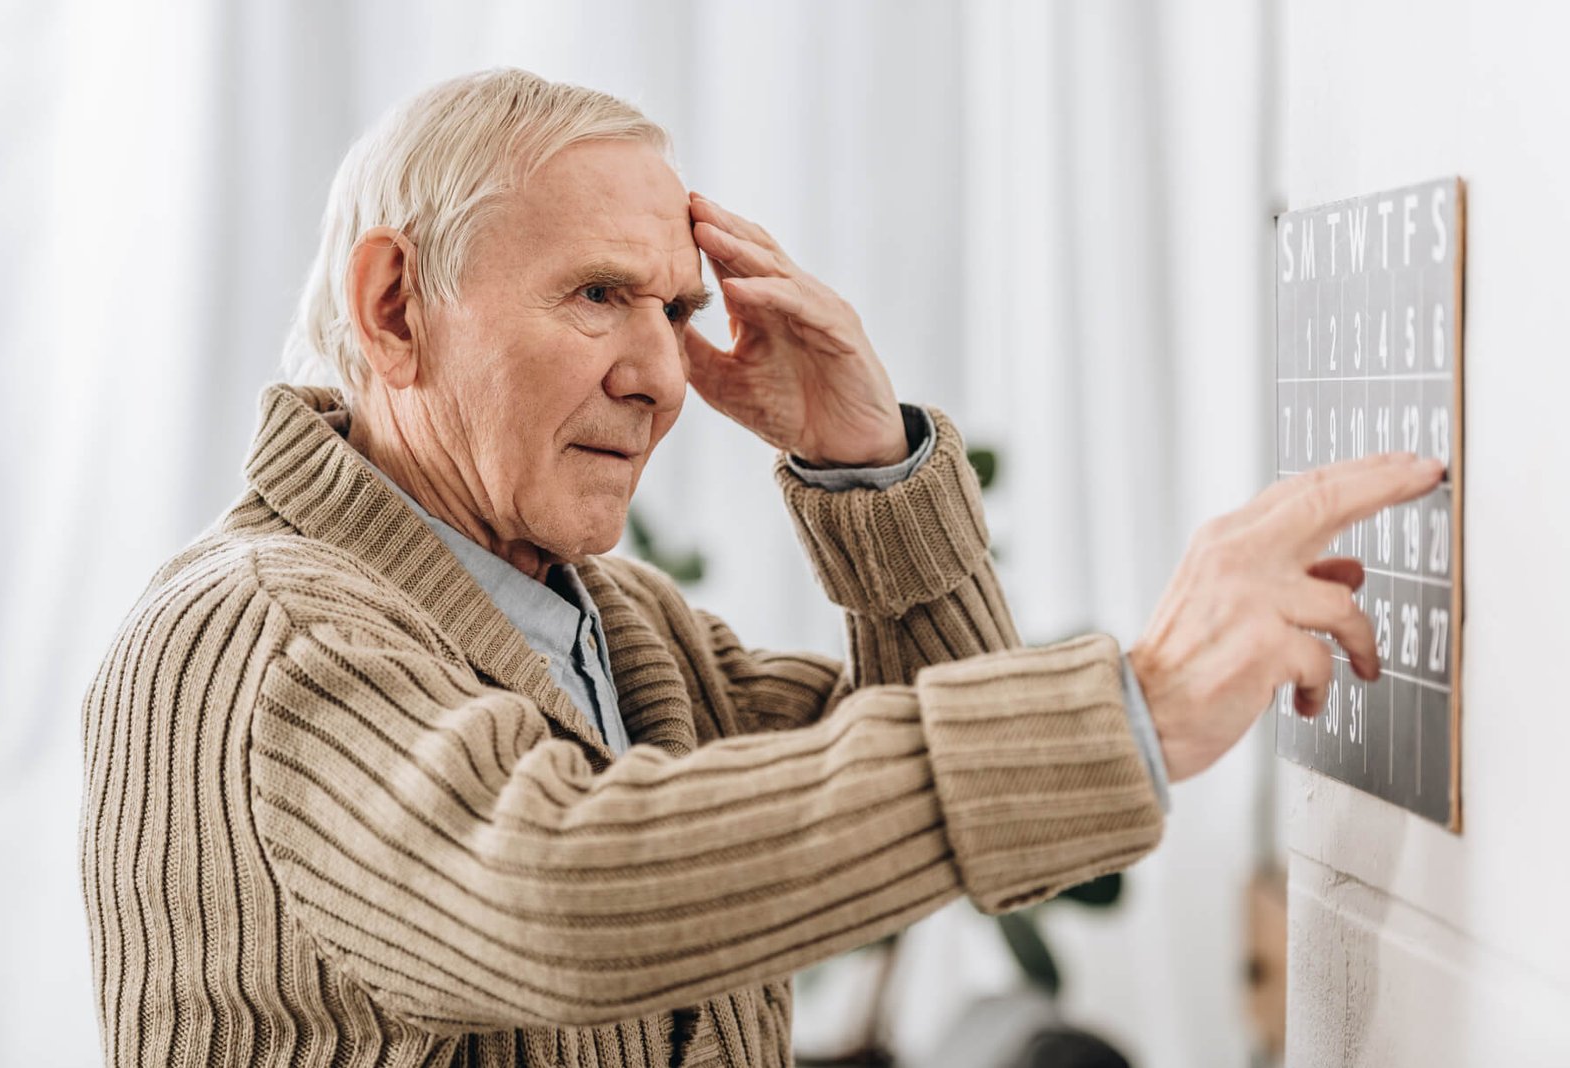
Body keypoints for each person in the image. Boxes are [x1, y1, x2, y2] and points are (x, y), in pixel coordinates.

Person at [79, 69, 1443, 1068]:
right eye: (599, 294)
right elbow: (554, 886)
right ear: (395, 308)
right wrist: (1134, 704)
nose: (666, 376)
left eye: (678, 308)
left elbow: (990, 830)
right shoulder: (249, 636)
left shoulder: (618, 625)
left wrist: (866, 466)